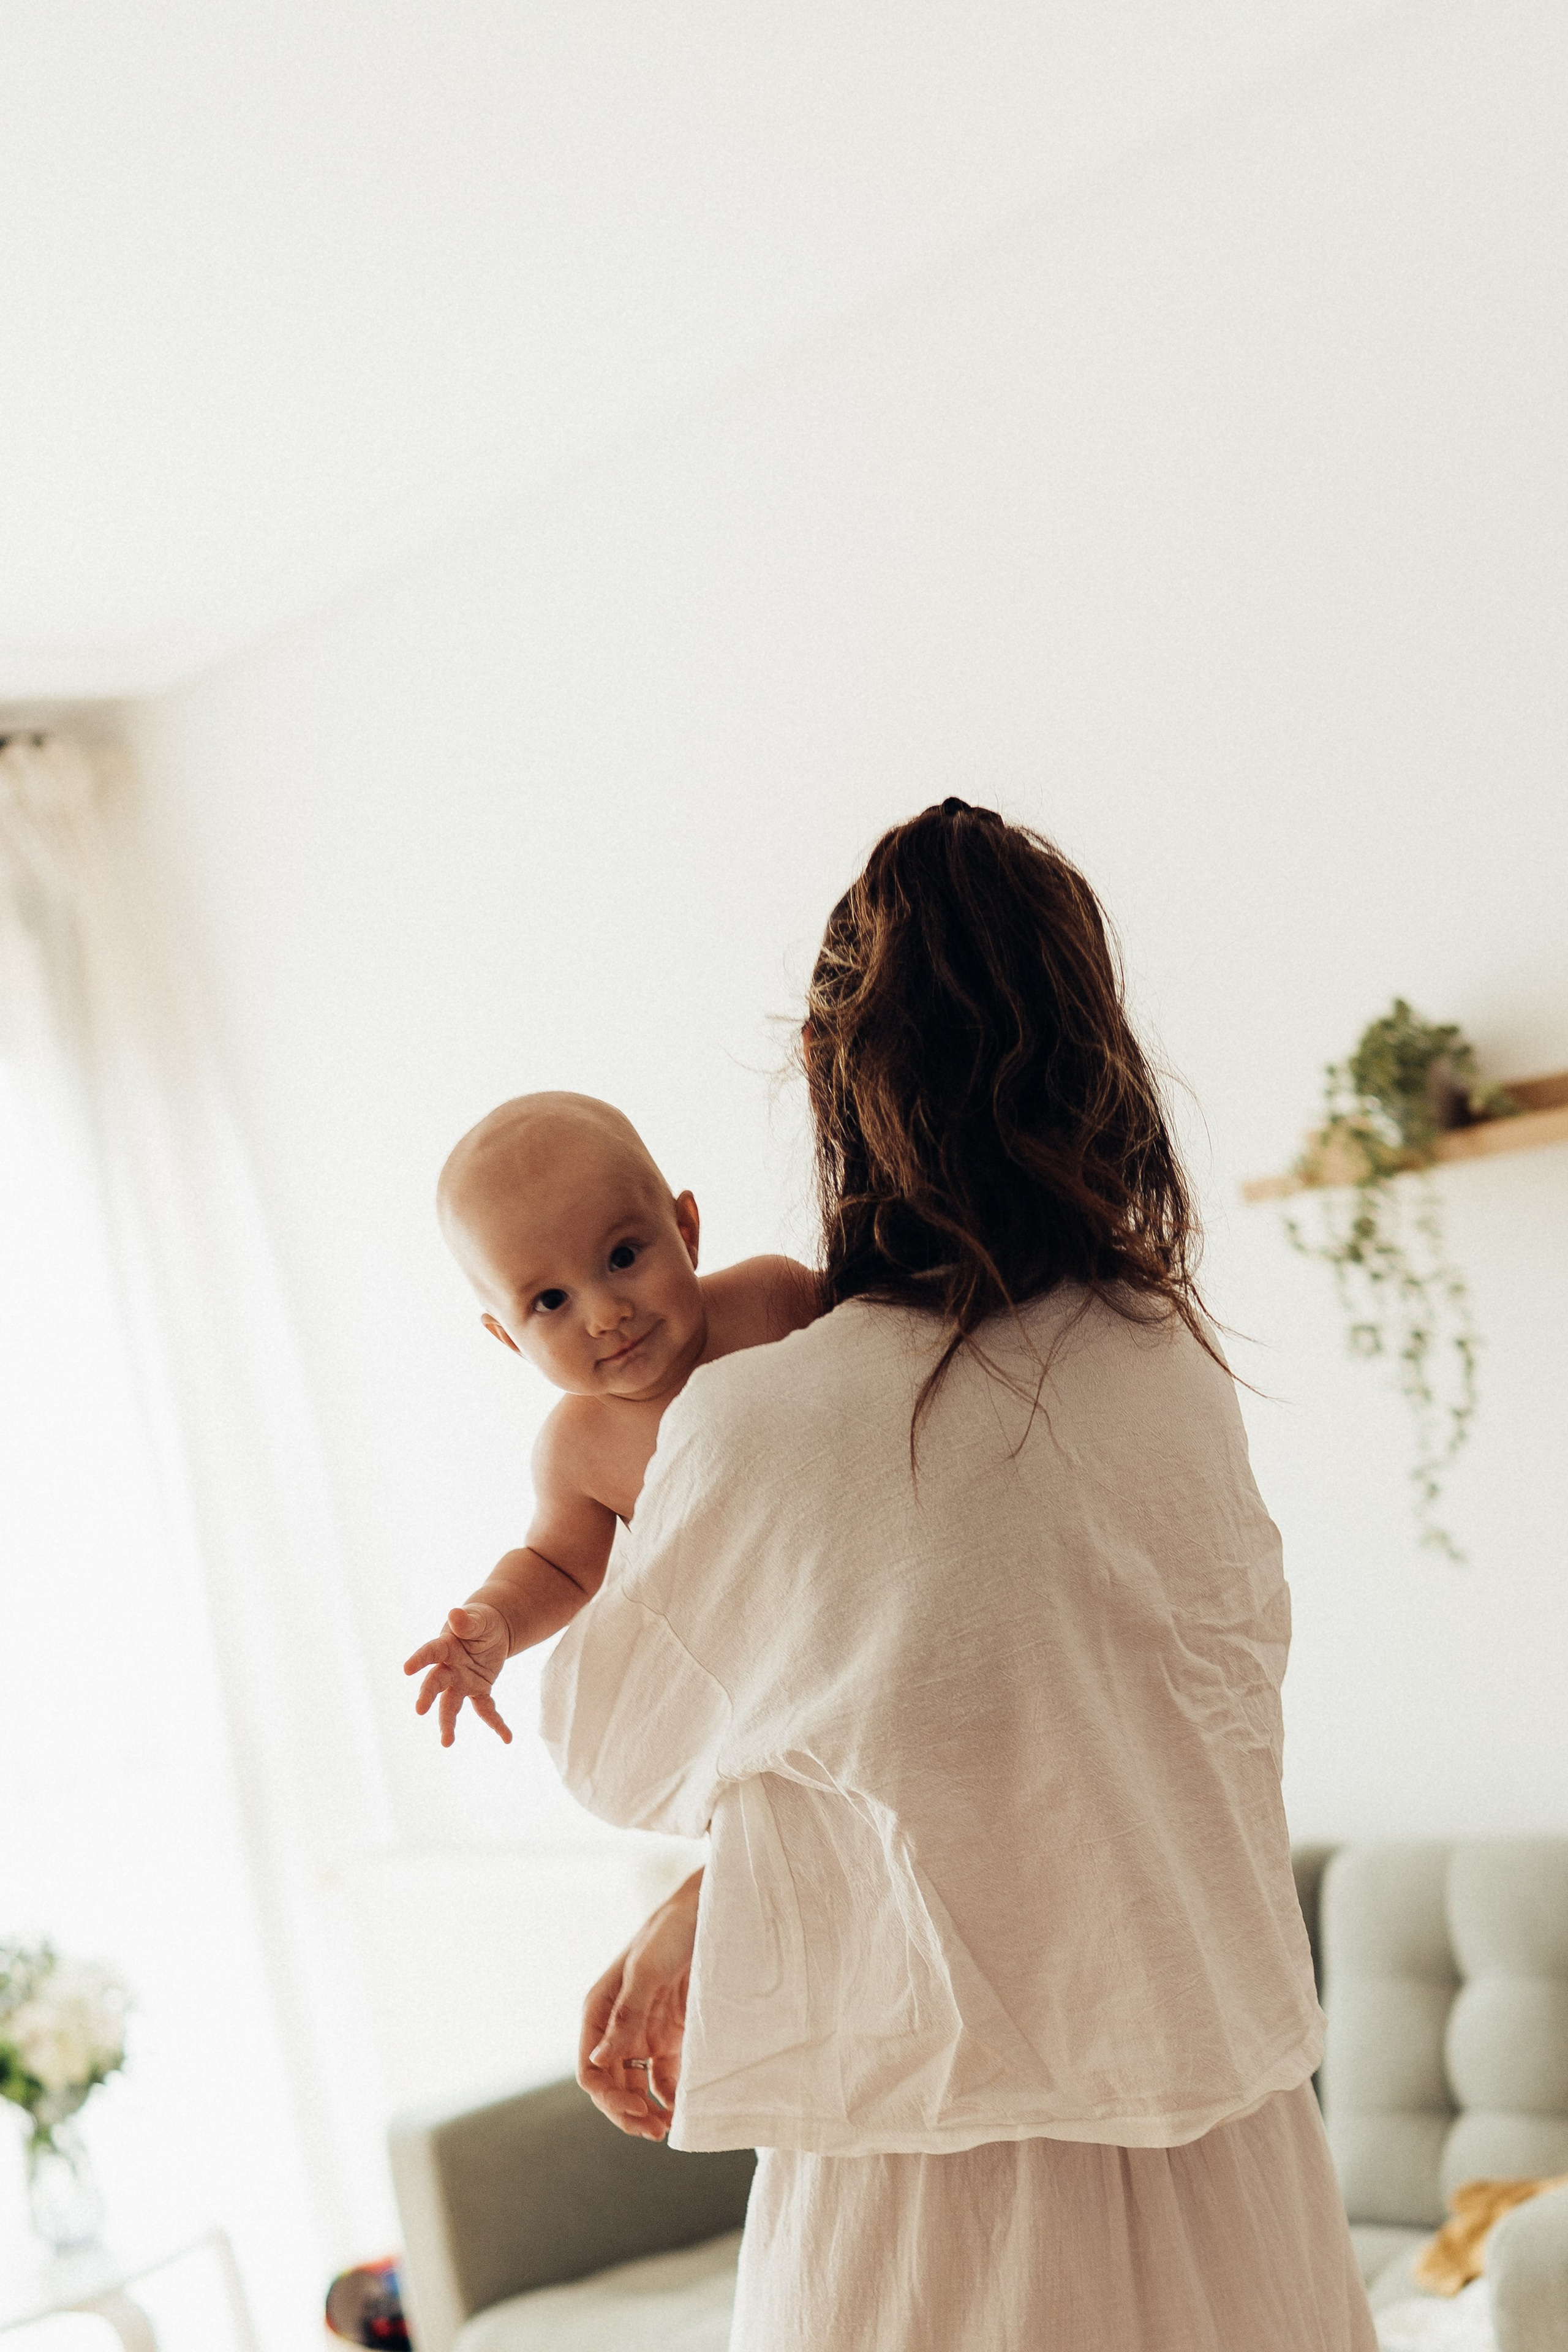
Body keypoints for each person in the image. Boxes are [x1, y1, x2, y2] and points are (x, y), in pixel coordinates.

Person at [553, 801, 1376, 2349]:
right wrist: (721, 1887)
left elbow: (613, 1749)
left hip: (924, 2187)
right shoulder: (1162, 1358)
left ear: (827, 1069)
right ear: (1093, 1058)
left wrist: (585, 1470)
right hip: (1234, 2155)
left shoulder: (758, 1420)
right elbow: (1037, 1738)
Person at [404, 1093, 818, 1745]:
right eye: (550, 1300)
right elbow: (558, 1567)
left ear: (686, 1231)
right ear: (509, 1340)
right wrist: (497, 1622)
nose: (605, 1315)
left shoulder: (774, 1297)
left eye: (622, 1256)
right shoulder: (577, 1450)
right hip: (772, 1669)